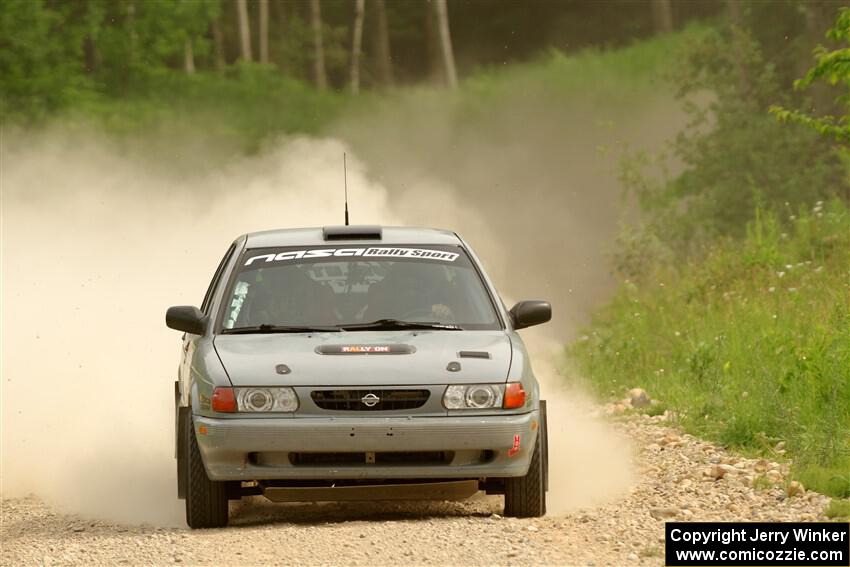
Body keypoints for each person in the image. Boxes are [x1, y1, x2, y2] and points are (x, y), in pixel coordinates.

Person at [364, 261, 456, 323]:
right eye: (407, 279)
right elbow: (373, 319)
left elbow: (463, 317)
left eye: (417, 283)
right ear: (395, 281)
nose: (412, 284)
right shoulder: (381, 297)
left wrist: (445, 312)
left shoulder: (439, 297)